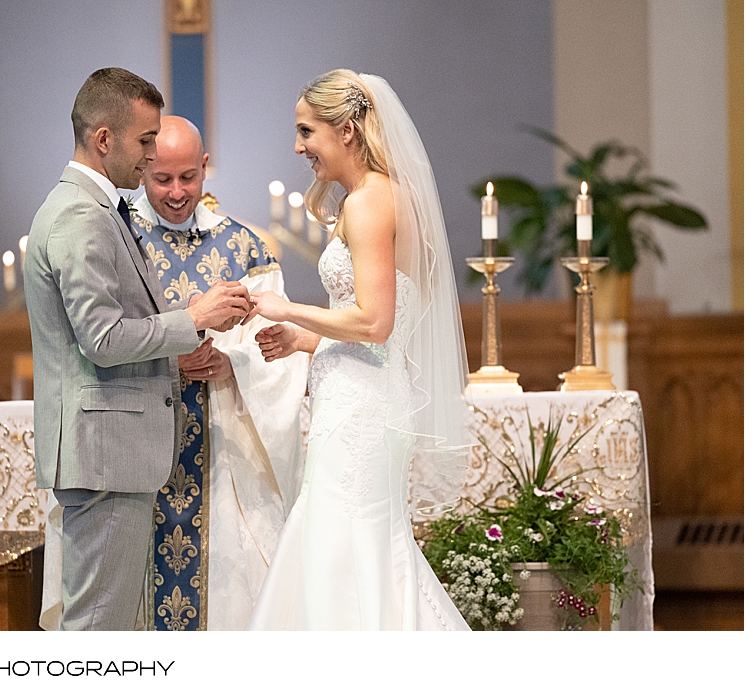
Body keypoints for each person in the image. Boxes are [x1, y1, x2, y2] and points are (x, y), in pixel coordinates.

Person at [40, 115, 310, 631]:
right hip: (131, 443)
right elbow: (98, 335)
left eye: (188, 177)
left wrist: (234, 364)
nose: (176, 191)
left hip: (220, 449)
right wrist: (171, 357)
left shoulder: (245, 247)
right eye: (162, 178)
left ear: (205, 167)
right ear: (143, 170)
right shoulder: (116, 236)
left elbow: (279, 347)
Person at [24, 67, 251, 631]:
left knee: (108, 626)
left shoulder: (96, 209)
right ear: (105, 139)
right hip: (105, 453)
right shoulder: (81, 214)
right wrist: (192, 318)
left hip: (110, 452)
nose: (151, 157)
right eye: (145, 141)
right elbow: (101, 339)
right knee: (97, 631)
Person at [246, 69, 472, 630]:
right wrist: (306, 339)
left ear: (347, 130)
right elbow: (379, 317)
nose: (299, 147)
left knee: (342, 541)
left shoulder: (372, 202)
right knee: (355, 543)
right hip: (363, 397)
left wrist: (288, 309)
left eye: (307, 131)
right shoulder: (375, 198)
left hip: (361, 409)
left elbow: (374, 321)